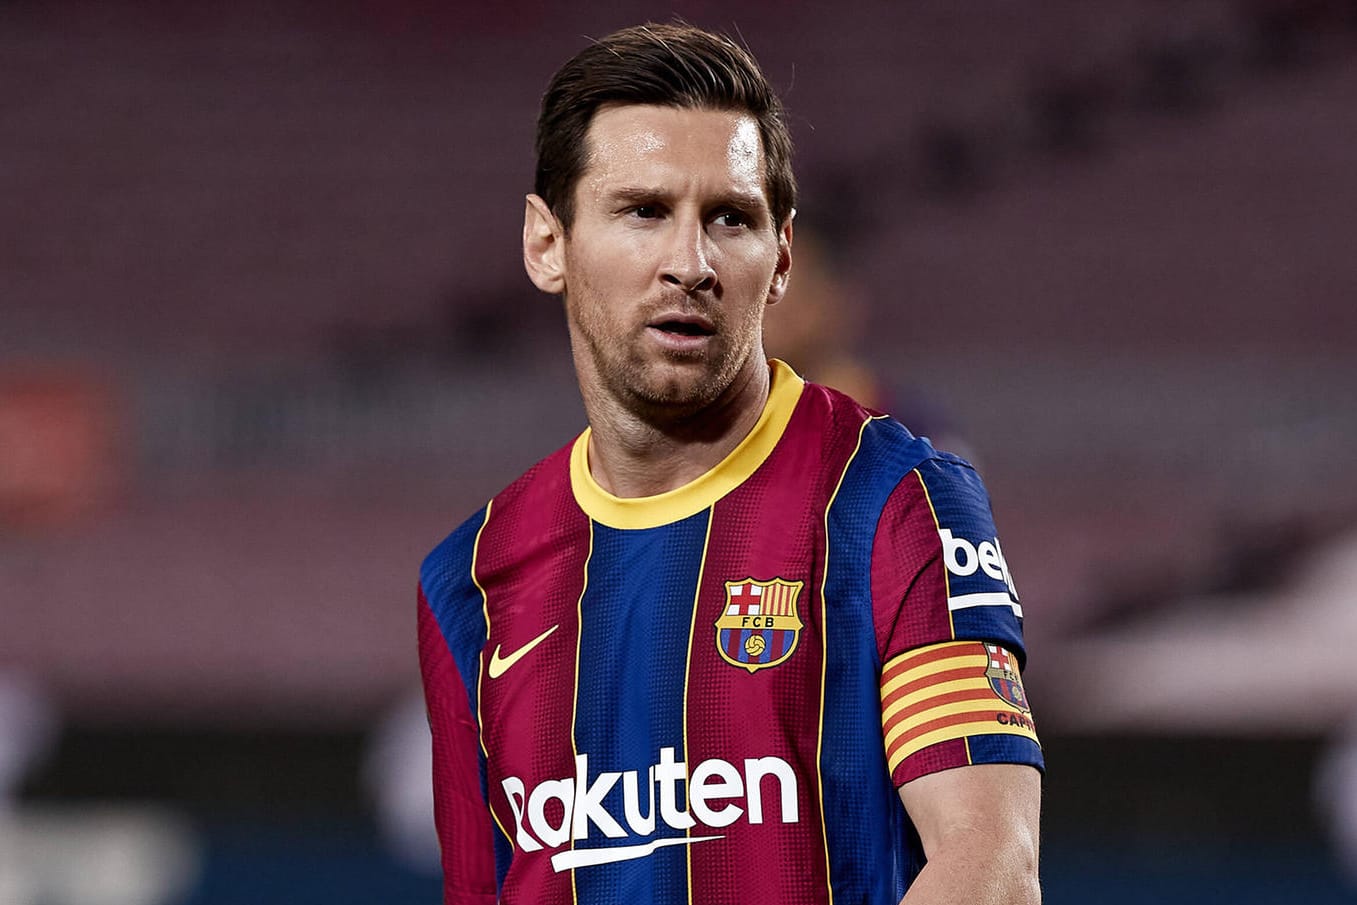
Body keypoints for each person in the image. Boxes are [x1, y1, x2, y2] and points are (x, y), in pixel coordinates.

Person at [418, 23, 1042, 905]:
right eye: (643, 211)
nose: (691, 263)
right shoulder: (468, 580)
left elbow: (992, 869)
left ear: (780, 258)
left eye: (730, 218)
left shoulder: (892, 501)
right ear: (546, 244)